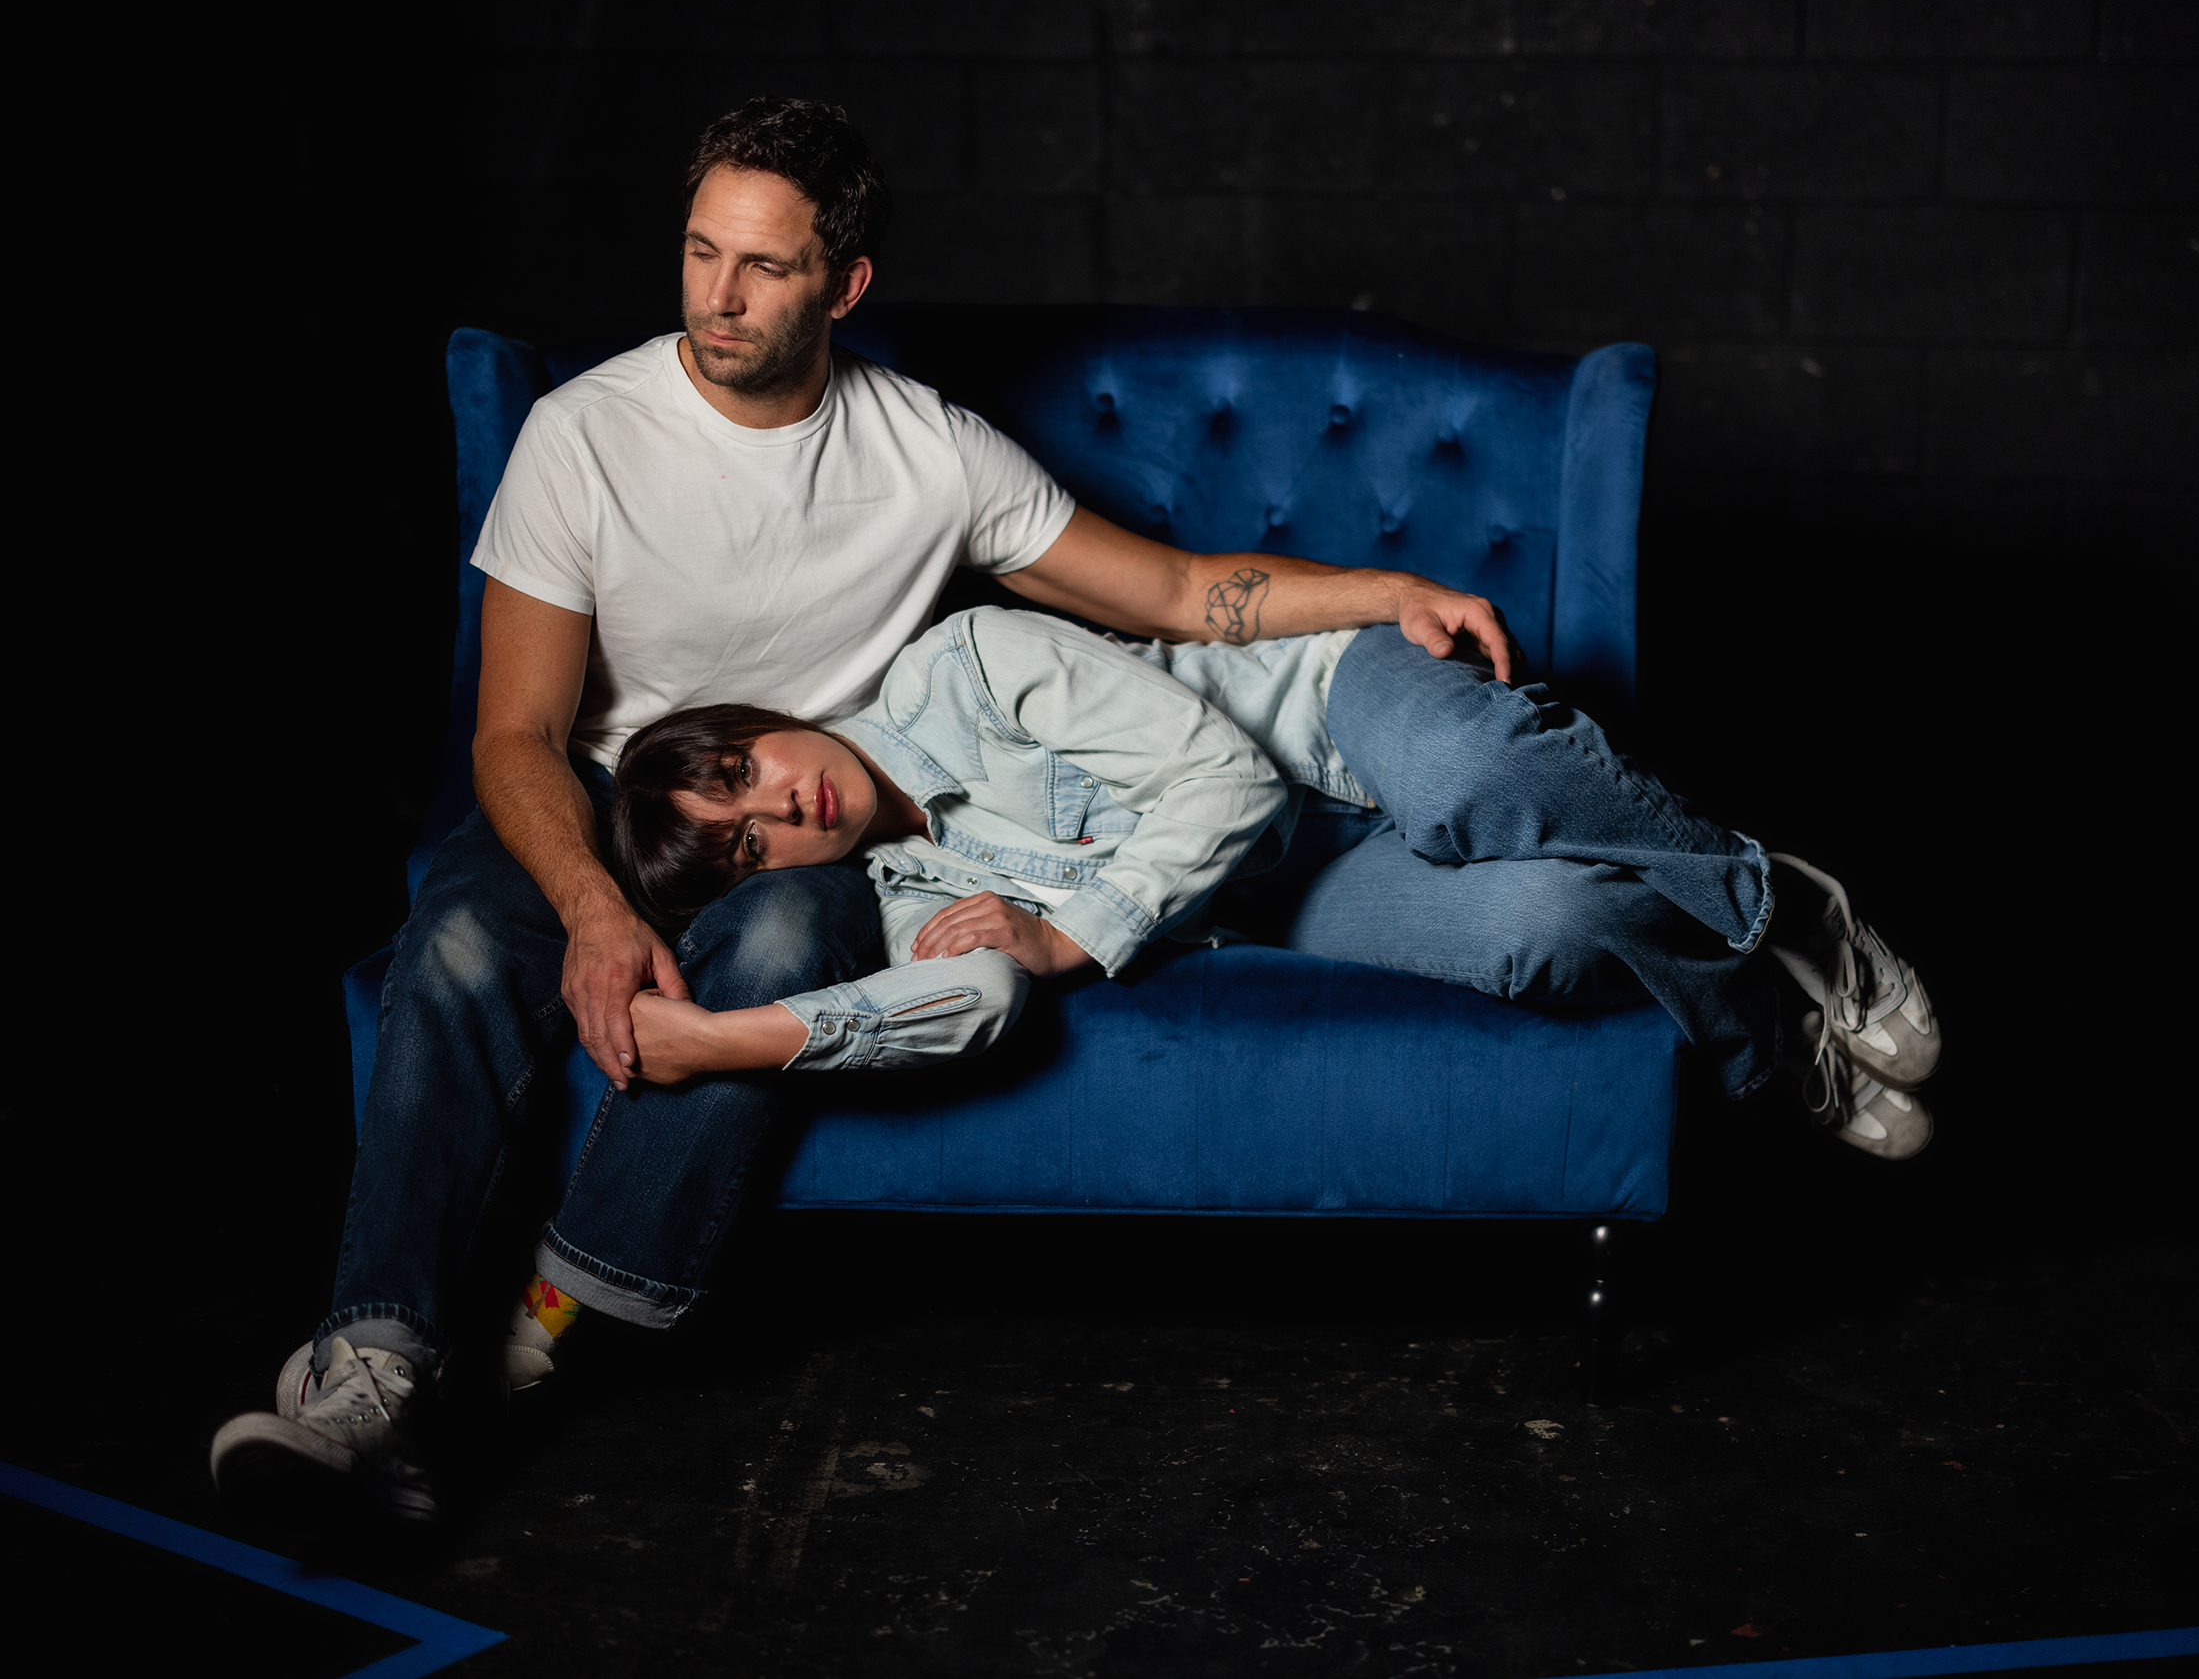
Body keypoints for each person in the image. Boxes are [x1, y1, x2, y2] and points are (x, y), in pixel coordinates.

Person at [208, 98, 1537, 1526]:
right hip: (603, 795)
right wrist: (594, 906)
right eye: (698, 251)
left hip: (823, 820)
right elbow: (514, 730)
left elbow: (1164, 591)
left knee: (785, 936)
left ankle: (547, 1340)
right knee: (468, 942)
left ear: (841, 285)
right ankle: (375, 1368)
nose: (716, 296)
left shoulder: (931, 451)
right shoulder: (581, 432)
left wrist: (1384, 591)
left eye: (762, 267)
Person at [602, 608, 1938, 1179]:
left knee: (1472, 766)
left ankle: (1782, 902)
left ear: (753, 722)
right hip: (1293, 895)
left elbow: (1223, 777)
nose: (778, 803)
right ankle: (1774, 1037)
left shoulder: (960, 664)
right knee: (1549, 932)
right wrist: (722, 1039)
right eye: (740, 842)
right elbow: (980, 989)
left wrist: (1071, 929)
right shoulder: (897, 894)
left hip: (1326, 717)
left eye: (741, 766)